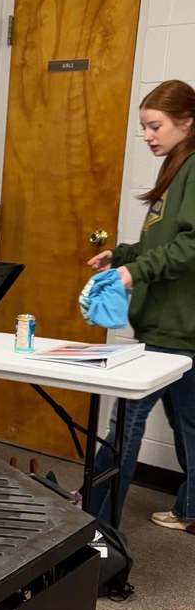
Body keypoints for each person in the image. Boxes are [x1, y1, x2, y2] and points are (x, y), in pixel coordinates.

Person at [87, 79, 195, 533]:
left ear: (187, 122)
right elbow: (162, 240)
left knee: (126, 421)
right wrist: (124, 256)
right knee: (188, 425)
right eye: (145, 127)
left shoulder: (193, 169)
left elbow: (191, 244)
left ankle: (90, 521)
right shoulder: (176, 167)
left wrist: (137, 272)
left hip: (174, 328)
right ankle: (190, 511)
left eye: (155, 126)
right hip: (172, 326)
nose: (148, 136)